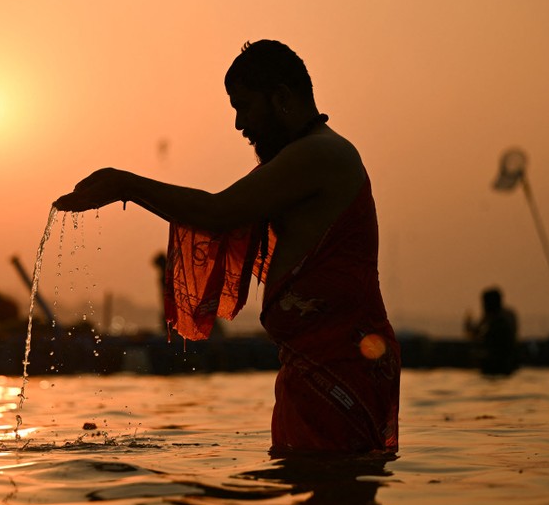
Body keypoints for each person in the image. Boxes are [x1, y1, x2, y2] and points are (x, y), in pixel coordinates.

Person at [54, 40, 400, 454]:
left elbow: (219, 212)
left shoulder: (320, 154)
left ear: (283, 98)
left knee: (331, 501)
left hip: (341, 366)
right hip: (316, 362)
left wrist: (125, 184)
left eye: (245, 106)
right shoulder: (306, 155)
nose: (239, 124)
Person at [464, 287, 519, 375]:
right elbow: (476, 331)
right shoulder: (494, 316)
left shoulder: (499, 322)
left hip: (500, 363)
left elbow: (481, 339)